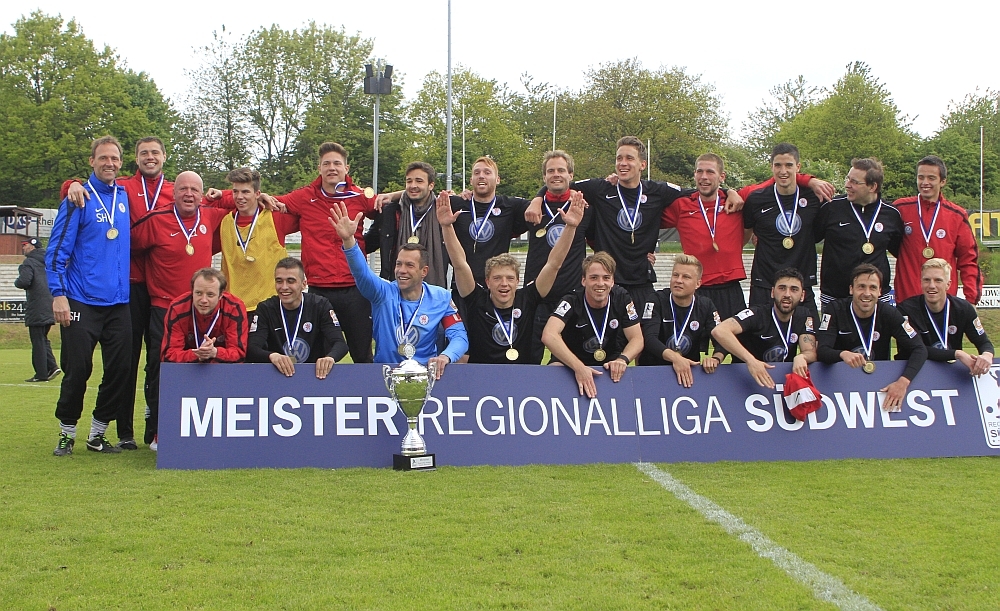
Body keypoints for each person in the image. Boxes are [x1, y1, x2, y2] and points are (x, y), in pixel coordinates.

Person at [61, 137, 174, 450]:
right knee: (99, 366)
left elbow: (202, 204)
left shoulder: (165, 190)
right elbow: (81, 194)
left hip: (142, 291)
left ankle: (125, 431)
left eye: (155, 152)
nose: (149, 158)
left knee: (135, 365)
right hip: (103, 291)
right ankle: (96, 432)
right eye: (143, 153)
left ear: (164, 156)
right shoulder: (111, 189)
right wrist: (71, 183)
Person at [130, 171, 232, 447]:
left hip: (202, 311)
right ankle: (157, 431)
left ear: (201, 195)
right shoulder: (155, 220)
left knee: (205, 367)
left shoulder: (210, 216)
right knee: (160, 369)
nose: (189, 194)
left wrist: (221, 194)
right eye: (183, 189)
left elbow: (241, 199)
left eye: (195, 190)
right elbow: (126, 247)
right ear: (173, 193)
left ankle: (203, 428)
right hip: (164, 309)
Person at [46, 136, 132, 456]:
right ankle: (67, 431)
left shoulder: (124, 196)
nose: (109, 163)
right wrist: (58, 294)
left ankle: (97, 433)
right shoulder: (78, 197)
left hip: (118, 302)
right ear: (92, 161)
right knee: (78, 368)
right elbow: (56, 250)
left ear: (121, 163)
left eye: (115, 158)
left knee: (122, 369)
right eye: (103, 158)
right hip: (81, 299)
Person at [437, 186, 585, 363]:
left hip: (521, 382)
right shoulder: (476, 299)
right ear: (487, 282)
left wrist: (570, 227)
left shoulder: (528, 298)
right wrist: (446, 226)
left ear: (518, 281)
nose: (504, 284)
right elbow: (460, 264)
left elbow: (554, 264)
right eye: (497, 278)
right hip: (483, 379)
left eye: (509, 279)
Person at [330, 201, 468, 376]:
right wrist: (349, 241)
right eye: (398, 264)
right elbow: (362, 273)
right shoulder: (383, 293)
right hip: (385, 376)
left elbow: (459, 336)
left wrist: (445, 356)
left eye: (409, 265)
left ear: (424, 271)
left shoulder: (440, 297)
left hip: (426, 376)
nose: (402, 270)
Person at [275, 142, 378, 363]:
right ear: (319, 168)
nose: (332, 168)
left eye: (337, 163)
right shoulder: (304, 197)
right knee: (317, 355)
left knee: (362, 354)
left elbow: (384, 206)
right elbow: (266, 201)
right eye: (326, 163)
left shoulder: (359, 196)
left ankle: (364, 395)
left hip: (355, 288)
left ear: (346, 168)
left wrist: (367, 245)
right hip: (319, 289)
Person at [816, 264, 927, 411]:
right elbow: (822, 350)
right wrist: (842, 354)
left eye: (873, 288)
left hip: (880, 384)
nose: (867, 293)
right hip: (842, 385)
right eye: (861, 287)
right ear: (851, 289)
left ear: (880, 291)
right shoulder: (834, 310)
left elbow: (919, 348)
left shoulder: (889, 313)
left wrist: (903, 382)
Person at [542, 252, 643, 398]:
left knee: (622, 375)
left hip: (609, 365)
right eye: (594, 278)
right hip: (571, 365)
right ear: (584, 281)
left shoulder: (622, 297)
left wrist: (623, 359)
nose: (600, 283)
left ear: (613, 281)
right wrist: (578, 367)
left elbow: (637, 338)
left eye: (606, 278)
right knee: (554, 369)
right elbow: (549, 335)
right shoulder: (571, 300)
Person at [524, 151, 594, 363]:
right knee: (529, 360)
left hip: (570, 295)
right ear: (544, 178)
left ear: (571, 175)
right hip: (536, 296)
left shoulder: (585, 208)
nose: (556, 175)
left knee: (564, 363)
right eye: (550, 171)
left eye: (561, 170)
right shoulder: (530, 210)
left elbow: (603, 243)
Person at [742, 143, 824, 316]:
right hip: (764, 282)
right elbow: (745, 233)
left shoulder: (814, 197)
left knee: (812, 339)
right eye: (778, 165)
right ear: (772, 167)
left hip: (801, 284)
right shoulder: (757, 199)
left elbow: (818, 233)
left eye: (789, 165)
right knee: (759, 339)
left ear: (798, 167)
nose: (783, 171)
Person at [893, 155, 982, 305]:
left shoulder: (956, 215)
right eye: (921, 177)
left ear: (943, 182)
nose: (925, 182)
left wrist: (971, 299)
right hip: (907, 301)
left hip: (942, 303)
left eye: (931, 178)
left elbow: (968, 259)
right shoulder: (900, 209)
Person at [815, 158, 902, 308]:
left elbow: (899, 250)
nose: (847, 185)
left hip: (875, 298)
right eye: (848, 179)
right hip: (835, 297)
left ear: (873, 186)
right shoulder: (831, 208)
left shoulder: (891, 214)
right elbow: (811, 239)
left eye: (854, 182)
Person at [710, 268, 817, 389]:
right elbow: (719, 331)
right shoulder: (757, 314)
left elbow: (810, 352)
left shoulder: (803, 315)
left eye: (794, 289)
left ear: (802, 295)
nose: (787, 294)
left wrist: (801, 357)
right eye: (782, 288)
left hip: (781, 382)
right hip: (746, 381)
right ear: (772, 292)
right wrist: (751, 361)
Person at [247, 258, 349, 378]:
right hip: (277, 376)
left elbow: (340, 344)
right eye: (279, 281)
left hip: (314, 376)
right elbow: (252, 348)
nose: (284, 287)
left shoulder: (320, 305)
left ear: (303, 284)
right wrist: (272, 356)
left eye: (291, 281)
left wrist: (330, 358)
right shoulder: (265, 308)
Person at [217, 167, 300, 315]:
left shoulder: (275, 218)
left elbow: (305, 210)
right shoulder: (225, 221)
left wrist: (276, 199)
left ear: (257, 194)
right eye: (235, 191)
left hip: (269, 306)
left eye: (245, 192)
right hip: (234, 307)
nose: (239, 197)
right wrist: (223, 195)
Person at [639, 255, 725, 388]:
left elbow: (722, 340)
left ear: (698, 283)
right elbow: (649, 339)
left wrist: (715, 358)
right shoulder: (656, 299)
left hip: (689, 375)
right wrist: (676, 359)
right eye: (675, 275)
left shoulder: (706, 305)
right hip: (654, 373)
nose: (678, 280)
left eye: (686, 277)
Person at [896, 258, 993, 376]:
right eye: (927, 280)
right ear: (921, 282)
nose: (932, 285)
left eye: (938, 280)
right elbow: (913, 349)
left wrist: (987, 355)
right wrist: (957, 354)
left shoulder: (963, 308)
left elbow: (983, 342)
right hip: (915, 374)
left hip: (951, 374)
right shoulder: (906, 309)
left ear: (948, 284)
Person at [366, 162, 450, 287]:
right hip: (394, 290)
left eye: (419, 181)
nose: (413, 185)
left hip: (433, 292)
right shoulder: (390, 212)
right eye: (409, 181)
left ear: (431, 185)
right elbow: (368, 245)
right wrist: (348, 239)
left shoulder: (444, 211)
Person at [161, 268, 249, 365]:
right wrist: (197, 355)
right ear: (192, 291)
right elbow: (168, 355)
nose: (203, 300)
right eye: (198, 293)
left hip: (224, 371)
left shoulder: (234, 308)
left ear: (220, 295)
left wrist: (215, 352)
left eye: (210, 295)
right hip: (187, 370)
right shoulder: (177, 308)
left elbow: (239, 354)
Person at [14, 238, 59, 382]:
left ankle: (41, 374)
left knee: (37, 340)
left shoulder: (29, 262)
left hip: (37, 305)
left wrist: (17, 281)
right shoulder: (47, 261)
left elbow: (24, 281)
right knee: (43, 338)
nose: (23, 248)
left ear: (32, 247)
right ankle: (52, 366)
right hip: (50, 303)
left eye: (25, 245)